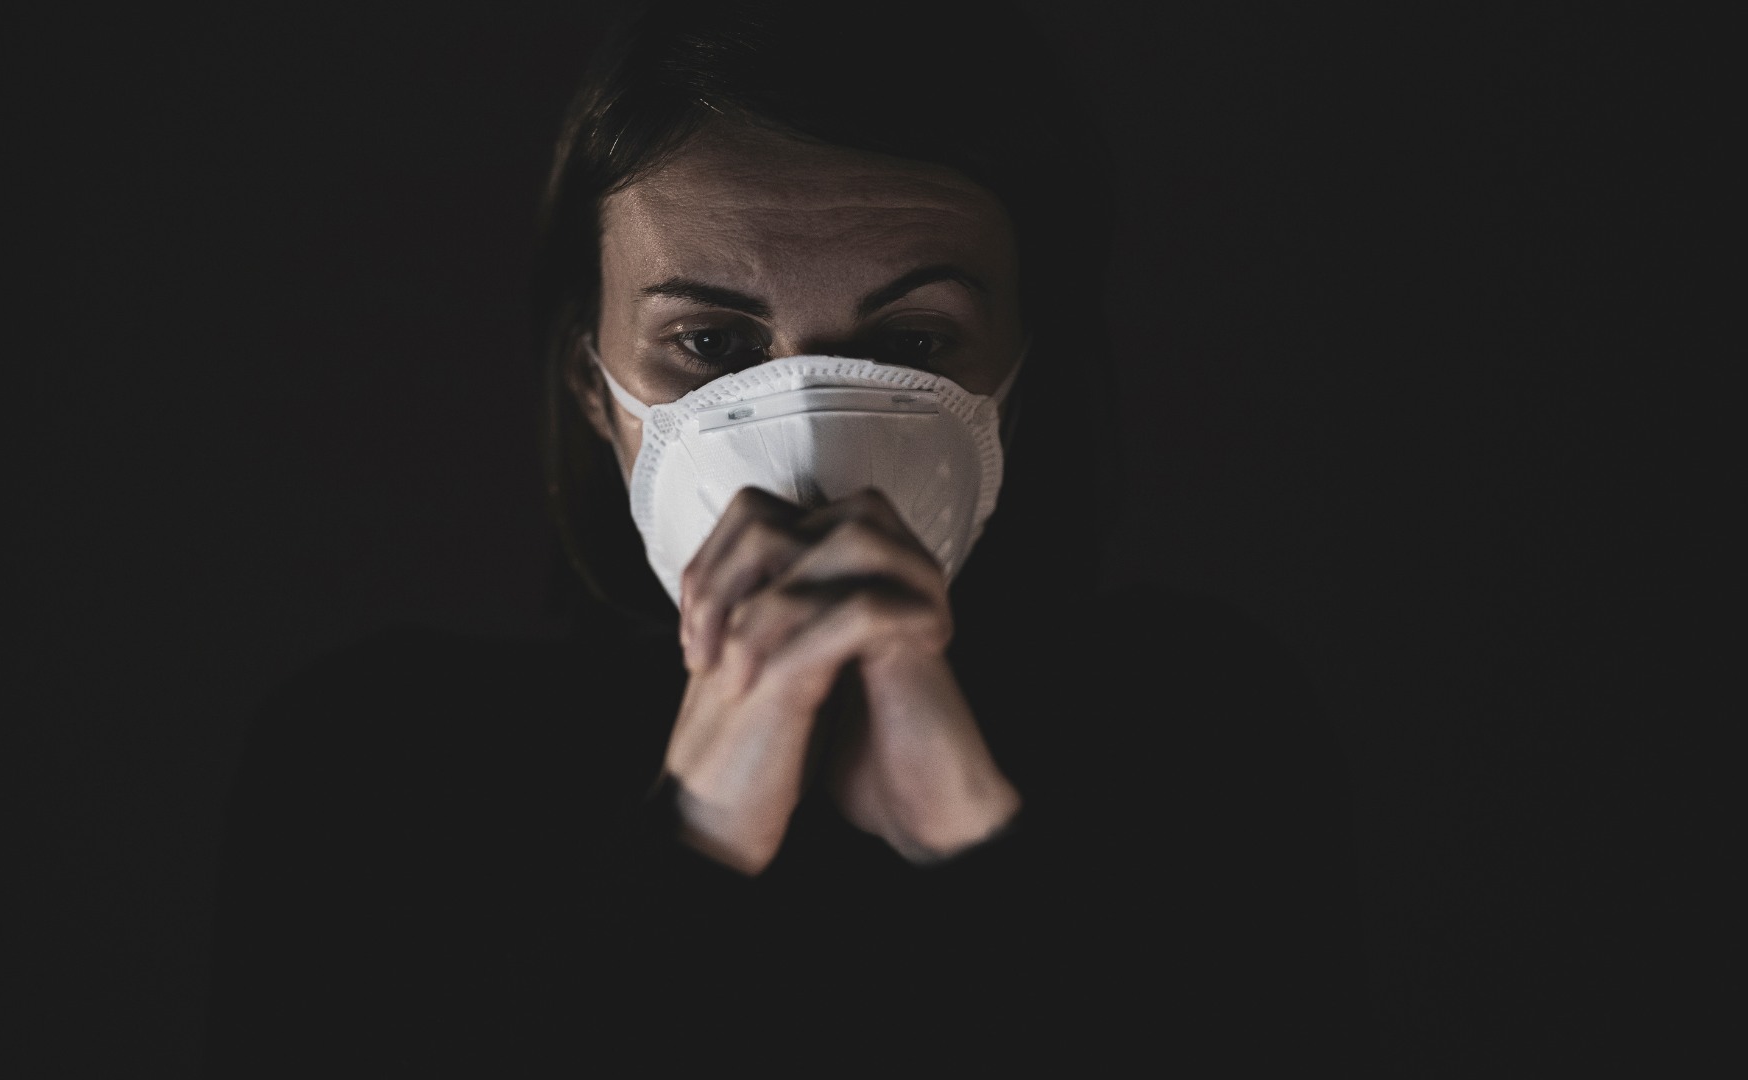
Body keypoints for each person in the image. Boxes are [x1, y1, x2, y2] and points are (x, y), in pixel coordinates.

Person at [206, 1, 1367, 1072]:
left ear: (1023, 381)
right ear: (590, 386)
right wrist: (696, 841)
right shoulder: (374, 774)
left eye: (912, 344)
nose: (806, 425)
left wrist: (971, 842)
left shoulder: (1210, 734)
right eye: (708, 344)